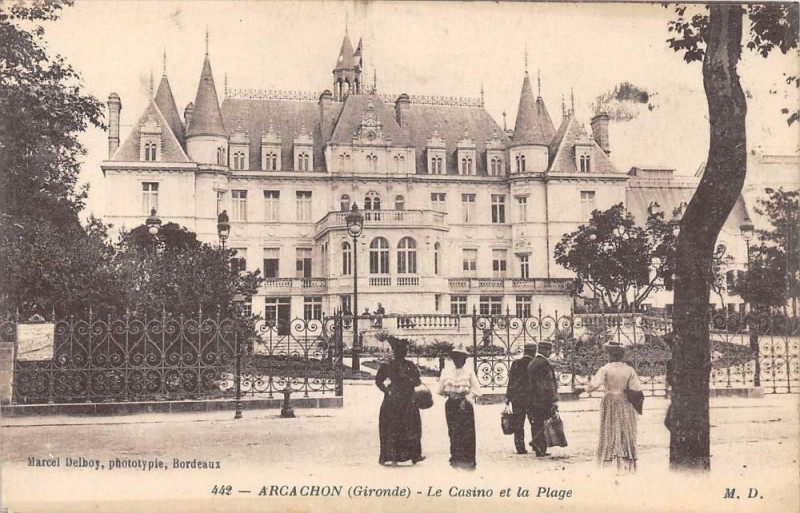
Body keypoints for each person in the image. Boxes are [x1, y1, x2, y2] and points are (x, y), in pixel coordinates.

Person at [573, 342, 641, 473]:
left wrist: (583, 389)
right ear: (621, 355)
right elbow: (636, 388)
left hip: (609, 401)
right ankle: (624, 457)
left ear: (610, 355)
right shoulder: (629, 370)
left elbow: (594, 385)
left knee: (610, 428)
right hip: (624, 401)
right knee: (624, 428)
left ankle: (611, 457)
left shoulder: (605, 369)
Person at [375, 336, 424, 466]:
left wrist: (386, 390)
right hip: (405, 399)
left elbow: (378, 381)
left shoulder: (389, 365)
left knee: (394, 427)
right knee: (409, 426)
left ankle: (393, 456)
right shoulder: (409, 365)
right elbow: (418, 381)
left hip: (394, 398)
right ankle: (412, 455)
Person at [437, 342, 482, 469]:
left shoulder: (469, 372)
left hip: (465, 405)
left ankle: (467, 459)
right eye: (456, 357)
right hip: (451, 404)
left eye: (462, 358)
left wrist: (467, 397)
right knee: (453, 431)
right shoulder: (446, 372)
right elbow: (440, 390)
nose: (459, 360)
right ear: (453, 358)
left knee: (467, 432)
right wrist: (449, 392)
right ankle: (456, 457)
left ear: (465, 359)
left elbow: (478, 391)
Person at [527, 340, 559, 457]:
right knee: (542, 423)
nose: (550, 353)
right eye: (549, 350)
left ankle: (538, 447)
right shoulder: (543, 364)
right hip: (542, 399)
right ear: (544, 350)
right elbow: (547, 384)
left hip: (533, 398)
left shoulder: (533, 362)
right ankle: (537, 444)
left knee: (536, 423)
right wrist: (553, 399)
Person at [506, 342, 537, 454]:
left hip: (517, 398)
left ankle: (520, 447)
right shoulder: (535, 363)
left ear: (524, 351)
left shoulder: (516, 363)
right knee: (535, 422)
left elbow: (511, 381)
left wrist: (508, 397)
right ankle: (536, 445)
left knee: (519, 423)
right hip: (531, 398)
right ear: (534, 352)